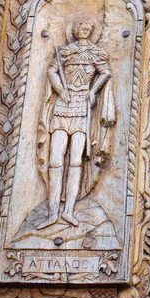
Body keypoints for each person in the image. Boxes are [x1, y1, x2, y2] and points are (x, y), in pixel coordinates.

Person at [36, 19, 116, 229]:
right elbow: (52, 71)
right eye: (82, 27)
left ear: (92, 32)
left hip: (82, 107)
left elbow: (106, 72)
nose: (85, 29)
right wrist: (61, 90)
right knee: (55, 158)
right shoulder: (65, 52)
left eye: (88, 28)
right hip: (64, 104)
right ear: (75, 29)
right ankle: (53, 212)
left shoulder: (96, 53)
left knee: (75, 161)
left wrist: (93, 91)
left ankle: (69, 211)